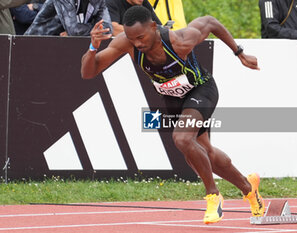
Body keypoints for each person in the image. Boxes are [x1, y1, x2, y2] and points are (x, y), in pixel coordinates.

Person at [81, 5, 264, 224]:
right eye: (132, 39)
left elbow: (210, 21)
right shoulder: (127, 43)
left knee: (182, 138)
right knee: (204, 153)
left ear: (153, 26)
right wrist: (93, 46)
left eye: (141, 37)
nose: (137, 43)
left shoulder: (179, 41)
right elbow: (88, 73)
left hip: (201, 90)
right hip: (173, 98)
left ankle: (213, 195)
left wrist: (239, 53)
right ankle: (249, 190)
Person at [25, 0, 112, 36]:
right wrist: (93, 29)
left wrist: (81, 32)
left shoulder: (99, 1)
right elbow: (74, 30)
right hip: (36, 43)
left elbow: (108, 30)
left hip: (64, 46)